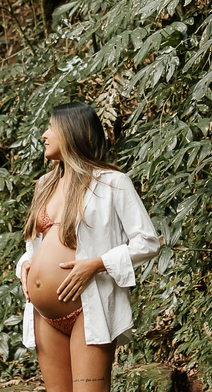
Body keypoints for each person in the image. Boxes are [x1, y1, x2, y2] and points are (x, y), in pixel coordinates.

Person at [16, 102, 160, 391]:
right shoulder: (44, 184)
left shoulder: (112, 182)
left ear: (72, 132)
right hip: (44, 314)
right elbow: (36, 245)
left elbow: (147, 241)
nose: (44, 135)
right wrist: (25, 267)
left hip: (87, 308)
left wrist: (97, 264)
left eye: (51, 128)